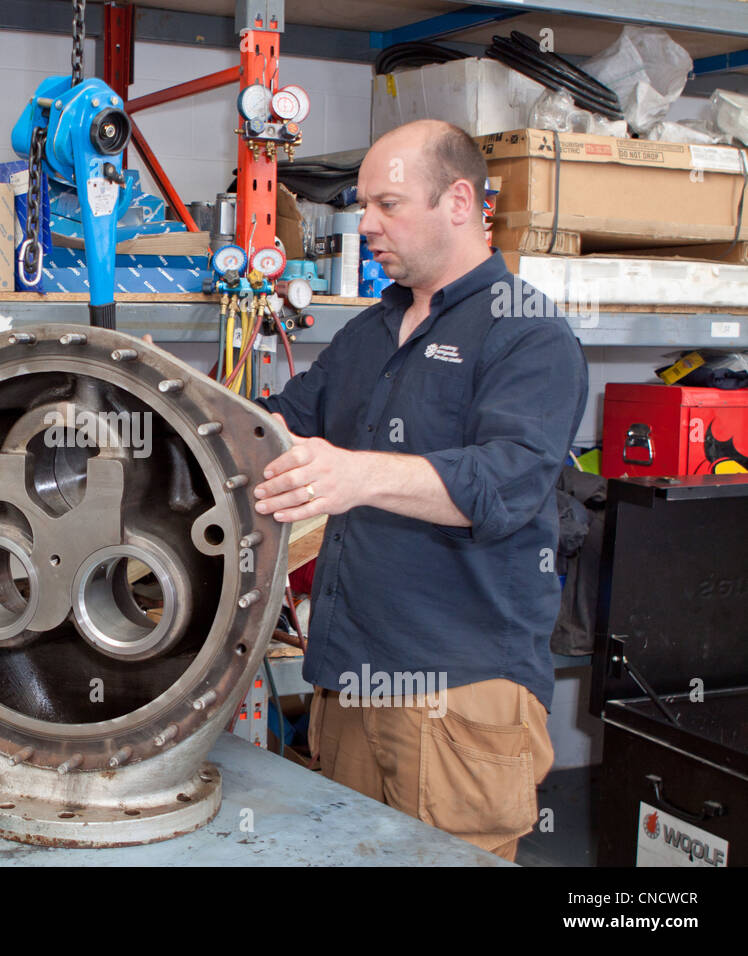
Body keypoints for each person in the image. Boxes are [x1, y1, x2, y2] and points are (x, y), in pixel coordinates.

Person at [252, 119, 588, 861]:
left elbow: (504, 482)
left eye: (388, 204)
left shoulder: (527, 335)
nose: (365, 223)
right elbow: (274, 429)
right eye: (362, 203)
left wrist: (353, 473)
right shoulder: (369, 334)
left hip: (456, 701)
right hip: (347, 689)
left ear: (460, 202)